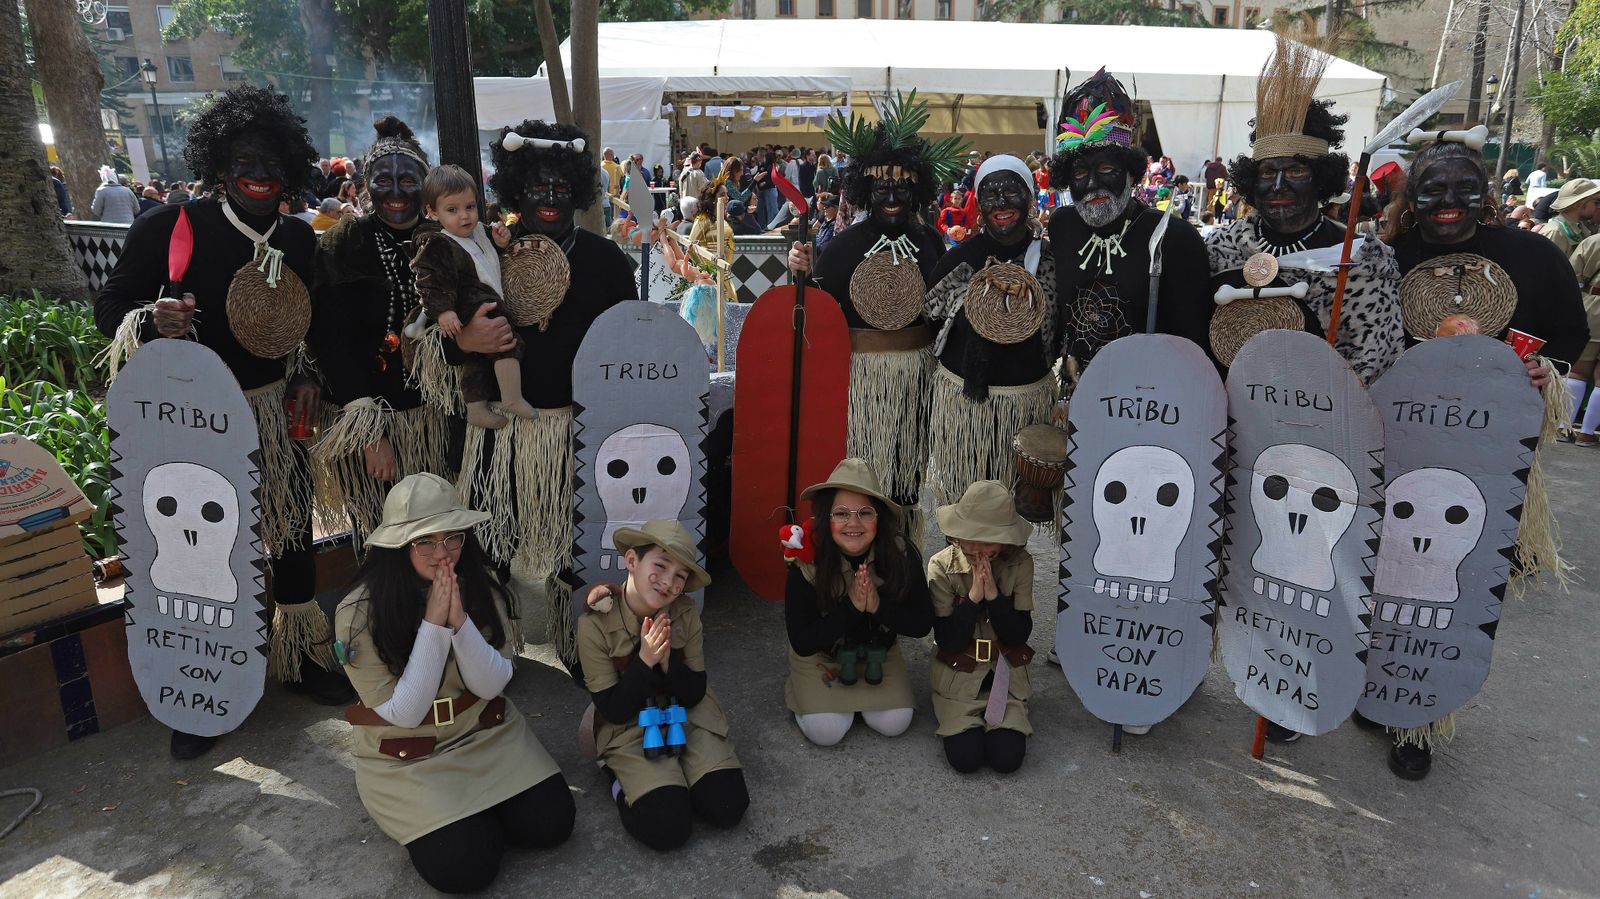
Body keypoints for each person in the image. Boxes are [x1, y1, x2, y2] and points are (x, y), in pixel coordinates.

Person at [95, 85, 346, 760]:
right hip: (194, 422)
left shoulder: (296, 237)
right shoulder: (169, 228)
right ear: (218, 163)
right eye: (243, 158)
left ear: (291, 168)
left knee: (291, 535)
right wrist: (151, 320)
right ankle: (201, 688)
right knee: (202, 551)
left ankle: (302, 658)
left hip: (275, 409)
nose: (257, 172)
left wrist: (309, 376)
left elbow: (314, 325)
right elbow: (111, 305)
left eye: (271, 160)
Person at [1376, 132, 1589, 780]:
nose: (1448, 202)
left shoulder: (1529, 255)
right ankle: (1379, 690)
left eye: (1462, 188)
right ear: (1412, 199)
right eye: (1431, 190)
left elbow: (1569, 339)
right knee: (1385, 583)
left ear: (1485, 194)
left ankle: (1421, 718)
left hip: (1484, 461)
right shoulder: (1388, 257)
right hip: (1399, 450)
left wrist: (1541, 377)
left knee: (1453, 589)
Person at [447, 120, 638, 668]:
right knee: (491, 540)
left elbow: (627, 341)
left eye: (561, 188)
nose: (550, 199)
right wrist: (467, 336)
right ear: (516, 191)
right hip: (502, 430)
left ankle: (584, 644)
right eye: (537, 188)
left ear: (578, 191)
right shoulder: (485, 255)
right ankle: (491, 647)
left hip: (578, 429)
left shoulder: (605, 261)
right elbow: (444, 341)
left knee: (575, 545)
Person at [335, 474, 573, 893]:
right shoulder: (357, 614)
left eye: (453, 538)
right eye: (424, 542)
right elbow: (404, 712)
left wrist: (459, 622)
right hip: (409, 753)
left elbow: (492, 684)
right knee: (466, 868)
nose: (441, 553)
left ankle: (476, 811)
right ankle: (460, 816)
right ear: (396, 546)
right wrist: (432, 626)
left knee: (552, 826)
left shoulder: (480, 584)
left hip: (484, 730)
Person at [788, 92, 960, 537]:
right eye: (881, 188)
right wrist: (799, 273)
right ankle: (854, 554)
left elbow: (944, 313)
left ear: (917, 189)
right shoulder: (842, 247)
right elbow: (815, 318)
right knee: (862, 473)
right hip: (861, 380)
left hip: (916, 377)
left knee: (906, 474)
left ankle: (903, 555)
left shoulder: (929, 243)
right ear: (865, 190)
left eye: (901, 187)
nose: (891, 197)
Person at [1204, 41, 1405, 386]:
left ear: (1321, 179)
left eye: (1295, 171)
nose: (1279, 185)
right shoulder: (1222, 249)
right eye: (1267, 172)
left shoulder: (1362, 259)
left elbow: (1375, 363)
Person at [311, 117, 452, 555]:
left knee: (439, 537)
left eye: (408, 180)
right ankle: (389, 620)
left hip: (437, 422)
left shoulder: (445, 239)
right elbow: (330, 342)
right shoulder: (343, 244)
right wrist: (371, 436)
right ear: (364, 186)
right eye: (382, 180)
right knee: (387, 541)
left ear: (425, 186)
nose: (395, 191)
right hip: (373, 426)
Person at [577, 520, 748, 851]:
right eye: (660, 565)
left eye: (680, 576)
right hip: (628, 724)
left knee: (728, 808)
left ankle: (684, 778)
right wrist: (644, 661)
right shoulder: (594, 625)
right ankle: (617, 778)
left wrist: (669, 662)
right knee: (668, 828)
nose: (669, 581)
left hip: (685, 713)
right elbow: (614, 710)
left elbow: (696, 691)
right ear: (631, 561)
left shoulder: (685, 613)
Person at [1046, 68, 1212, 384]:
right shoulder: (1062, 227)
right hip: (1075, 403)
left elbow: (1195, 351)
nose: (1093, 184)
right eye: (1080, 175)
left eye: (1107, 168)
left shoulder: (1175, 239)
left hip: (1149, 408)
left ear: (1131, 173)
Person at [924, 154, 1060, 513]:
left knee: (1012, 522)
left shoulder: (1049, 261)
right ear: (979, 205)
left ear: (1030, 199)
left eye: (1010, 192)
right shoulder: (962, 259)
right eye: (990, 194)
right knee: (965, 513)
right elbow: (929, 319)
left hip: (1027, 407)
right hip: (965, 409)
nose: (1000, 203)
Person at [784, 458, 933, 746]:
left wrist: (878, 607)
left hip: (879, 654)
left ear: (880, 518)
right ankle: (803, 689)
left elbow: (922, 623)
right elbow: (802, 640)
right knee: (827, 731)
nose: (853, 523)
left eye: (865, 513)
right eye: (841, 513)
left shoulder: (901, 553)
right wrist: (851, 607)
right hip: (822, 656)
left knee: (894, 722)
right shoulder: (805, 560)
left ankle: (860, 697)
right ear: (826, 518)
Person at [411, 163, 532, 431]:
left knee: (477, 360)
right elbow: (430, 281)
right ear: (432, 212)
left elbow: (486, 260)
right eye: (452, 210)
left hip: (482, 302)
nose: (464, 216)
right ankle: (512, 398)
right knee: (507, 342)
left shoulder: (476, 231)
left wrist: (501, 242)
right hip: (469, 306)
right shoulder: (438, 243)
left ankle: (476, 409)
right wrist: (443, 311)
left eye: (470, 207)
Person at [927, 481, 1036, 774]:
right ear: (957, 534)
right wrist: (973, 598)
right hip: (958, 674)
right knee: (965, 758)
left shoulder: (1021, 564)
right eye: (971, 538)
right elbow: (947, 639)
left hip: (1006, 675)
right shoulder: (941, 565)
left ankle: (1004, 716)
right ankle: (964, 718)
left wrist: (994, 597)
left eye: (990, 540)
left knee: (1006, 758)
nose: (979, 550)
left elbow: (1018, 634)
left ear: (1006, 541)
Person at [1565, 231, 1600, 446]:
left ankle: (1563, 427)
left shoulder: (1594, 241)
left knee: (1578, 370)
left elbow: (1573, 273)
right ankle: (1586, 433)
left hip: (1591, 306)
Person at [1537, 178, 1600, 258]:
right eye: (1596, 202)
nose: (1598, 207)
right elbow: (1544, 267)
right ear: (1579, 204)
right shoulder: (1555, 232)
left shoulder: (1579, 227)